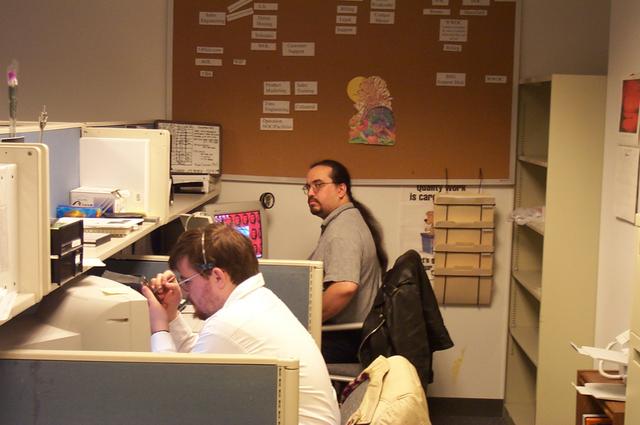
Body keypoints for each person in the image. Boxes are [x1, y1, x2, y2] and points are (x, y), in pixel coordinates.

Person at [142, 223, 340, 425]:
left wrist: (159, 327)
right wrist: (172, 316)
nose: (186, 292)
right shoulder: (259, 301)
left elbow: (171, 398)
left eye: (187, 282)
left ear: (218, 277)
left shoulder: (229, 325)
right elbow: (199, 362)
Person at [304, 159, 388, 363]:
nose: (310, 193)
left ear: (341, 189)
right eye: (308, 187)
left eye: (318, 185)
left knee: (274, 347)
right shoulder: (347, 221)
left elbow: (344, 288)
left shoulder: (343, 230)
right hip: (348, 334)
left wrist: (304, 322)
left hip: (345, 339)